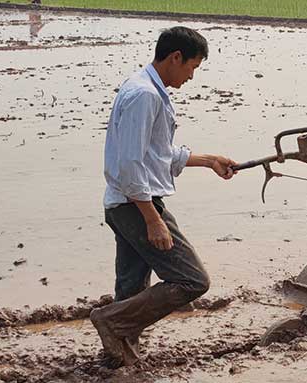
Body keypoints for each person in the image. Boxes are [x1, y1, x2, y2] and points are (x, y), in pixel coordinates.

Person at [90, 26, 238, 368]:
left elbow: (155, 153)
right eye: (192, 67)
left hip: (124, 203)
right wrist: (153, 219)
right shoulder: (146, 96)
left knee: (132, 286)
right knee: (192, 280)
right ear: (175, 57)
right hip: (136, 204)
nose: (191, 76)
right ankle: (111, 322)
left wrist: (208, 160)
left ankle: (117, 357)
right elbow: (130, 164)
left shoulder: (144, 87)